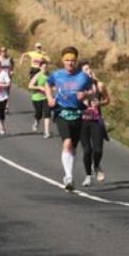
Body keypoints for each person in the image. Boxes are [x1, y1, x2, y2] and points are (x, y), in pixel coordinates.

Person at [45, 46, 94, 191]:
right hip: (62, 112)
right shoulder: (57, 75)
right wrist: (49, 98)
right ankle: (69, 177)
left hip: (78, 113)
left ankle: (69, 174)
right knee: (67, 143)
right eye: (67, 60)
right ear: (62, 60)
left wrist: (85, 95)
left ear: (76, 61)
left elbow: (93, 90)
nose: (70, 63)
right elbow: (48, 84)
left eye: (72, 60)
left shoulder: (83, 76)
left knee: (73, 147)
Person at [79, 61, 110, 187]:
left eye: (90, 68)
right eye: (86, 69)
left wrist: (100, 104)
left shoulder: (99, 85)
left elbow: (107, 100)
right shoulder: (77, 87)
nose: (89, 70)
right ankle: (88, 176)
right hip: (82, 122)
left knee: (98, 150)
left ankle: (96, 165)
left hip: (96, 120)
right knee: (87, 150)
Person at [28, 60, 53, 138]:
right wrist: (39, 87)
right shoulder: (37, 75)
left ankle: (46, 132)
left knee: (47, 113)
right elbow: (30, 86)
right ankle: (36, 121)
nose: (44, 68)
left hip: (46, 97)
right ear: (40, 67)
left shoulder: (50, 75)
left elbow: (53, 85)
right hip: (36, 97)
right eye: (43, 67)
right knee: (38, 114)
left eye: (46, 67)